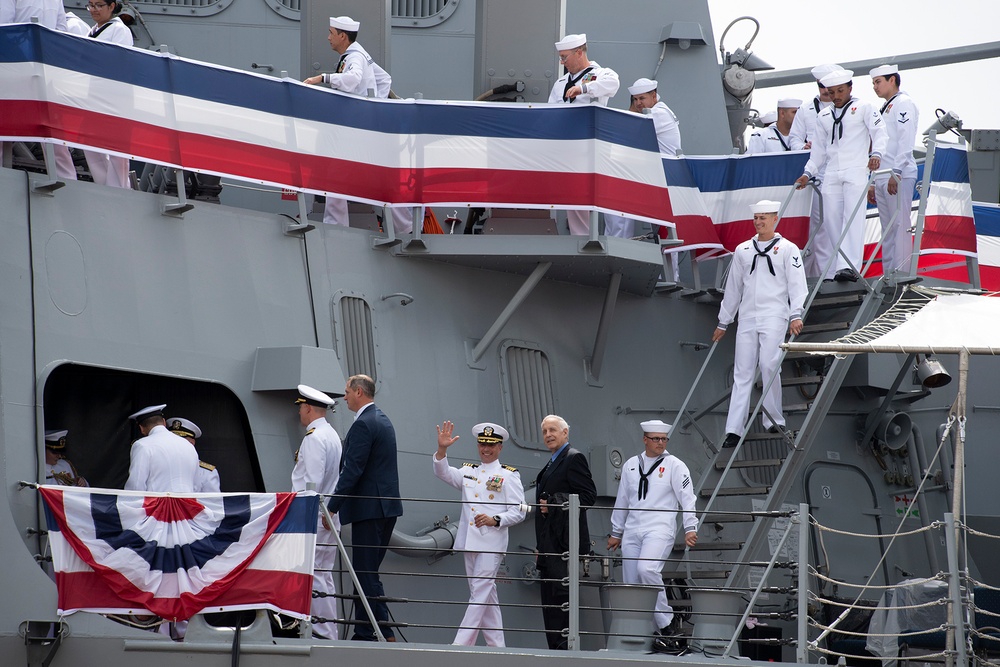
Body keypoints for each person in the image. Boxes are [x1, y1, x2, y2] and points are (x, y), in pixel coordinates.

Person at [303, 16, 412, 234]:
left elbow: (352, 79)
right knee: (380, 178)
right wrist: (377, 106)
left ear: (342, 36)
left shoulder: (354, 58)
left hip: (355, 129)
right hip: (366, 127)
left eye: (331, 33)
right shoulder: (361, 54)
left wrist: (321, 78)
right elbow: (384, 79)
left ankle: (336, 227)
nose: (328, 38)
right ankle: (405, 226)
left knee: (336, 175)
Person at [713, 200, 808, 448]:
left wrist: (795, 314)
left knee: (769, 365)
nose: (758, 222)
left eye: (763, 217)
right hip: (747, 316)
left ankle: (773, 419)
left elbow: (797, 284)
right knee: (742, 372)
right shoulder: (743, 250)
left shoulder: (789, 249)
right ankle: (733, 429)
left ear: (775, 218)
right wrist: (724, 322)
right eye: (756, 218)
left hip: (774, 314)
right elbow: (733, 289)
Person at [433, 421, 526, 647]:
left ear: (500, 447)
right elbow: (443, 473)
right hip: (470, 542)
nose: (486, 449)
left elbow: (520, 511)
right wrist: (442, 449)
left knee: (479, 593)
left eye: (491, 445)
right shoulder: (468, 472)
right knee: (485, 595)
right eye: (482, 444)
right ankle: (497, 647)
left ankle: (461, 645)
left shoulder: (508, 476)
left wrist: (496, 520)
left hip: (491, 543)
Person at [327, 374, 402, 641]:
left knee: (364, 572)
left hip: (369, 511)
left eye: (346, 391)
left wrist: (332, 507)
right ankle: (362, 630)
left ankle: (385, 631)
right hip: (385, 509)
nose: (344, 396)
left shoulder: (363, 425)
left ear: (358, 392)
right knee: (366, 572)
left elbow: (352, 471)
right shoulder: (382, 420)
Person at [795, 69, 888, 282]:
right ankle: (834, 267)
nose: (836, 96)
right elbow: (818, 151)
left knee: (852, 218)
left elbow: (880, 132)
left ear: (849, 88)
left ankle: (849, 267)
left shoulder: (864, 108)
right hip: (832, 173)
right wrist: (807, 173)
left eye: (840, 90)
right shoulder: (824, 116)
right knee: (831, 221)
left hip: (856, 168)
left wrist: (877, 154)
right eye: (832, 92)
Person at [607, 420, 697, 638]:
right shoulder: (630, 465)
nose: (660, 443)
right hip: (632, 530)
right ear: (645, 439)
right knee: (631, 582)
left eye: (664, 439)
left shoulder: (675, 465)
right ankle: (645, 634)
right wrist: (616, 533)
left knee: (646, 570)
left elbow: (687, 498)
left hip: (659, 528)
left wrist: (690, 527)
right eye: (656, 439)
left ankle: (666, 621)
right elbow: (623, 500)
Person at [534, 414, 597, 650]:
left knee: (560, 604)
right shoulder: (553, 461)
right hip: (550, 546)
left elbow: (588, 496)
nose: (548, 435)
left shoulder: (573, 458)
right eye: (545, 431)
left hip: (564, 547)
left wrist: (551, 502)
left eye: (553, 430)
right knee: (550, 606)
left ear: (565, 433)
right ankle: (556, 653)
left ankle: (563, 654)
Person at [548, 33, 619, 236]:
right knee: (574, 200)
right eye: (560, 58)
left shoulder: (601, 73)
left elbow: (613, 85)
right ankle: (579, 240)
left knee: (594, 196)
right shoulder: (561, 83)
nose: (562, 62)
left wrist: (583, 88)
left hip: (591, 147)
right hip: (567, 149)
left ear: (579, 52)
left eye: (565, 57)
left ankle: (595, 240)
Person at [291, 385, 344, 640]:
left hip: (314, 515)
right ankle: (328, 629)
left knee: (313, 573)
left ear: (308, 407)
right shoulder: (331, 434)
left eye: (300, 407)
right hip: (329, 516)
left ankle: (320, 632)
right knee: (324, 574)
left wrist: (303, 516)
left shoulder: (313, 438)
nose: (299, 413)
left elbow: (311, 482)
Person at [604, 78, 681, 239]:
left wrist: (633, 109)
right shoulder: (655, 111)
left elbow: (626, 129)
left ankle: (618, 245)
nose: (639, 103)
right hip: (658, 176)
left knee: (620, 201)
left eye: (642, 98)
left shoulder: (658, 113)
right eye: (635, 99)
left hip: (664, 177)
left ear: (654, 96)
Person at [789, 64, 840, 278]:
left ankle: (840, 271)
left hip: (840, 173)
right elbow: (794, 139)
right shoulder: (806, 109)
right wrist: (804, 147)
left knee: (840, 226)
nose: (824, 91)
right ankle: (824, 277)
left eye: (828, 86)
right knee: (818, 230)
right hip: (817, 176)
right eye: (821, 86)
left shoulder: (847, 108)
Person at [868, 64, 919, 277]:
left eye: (878, 82)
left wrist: (896, 171)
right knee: (887, 229)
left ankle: (901, 274)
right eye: (873, 83)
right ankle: (889, 273)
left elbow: (905, 139)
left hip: (898, 174)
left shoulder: (903, 103)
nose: (875, 87)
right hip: (882, 175)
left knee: (900, 225)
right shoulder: (886, 107)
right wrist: (872, 181)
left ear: (892, 80)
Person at [83, 0, 133, 189]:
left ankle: (120, 189)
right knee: (90, 144)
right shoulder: (91, 31)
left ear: (111, 6)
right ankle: (104, 186)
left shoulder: (119, 31)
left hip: (115, 97)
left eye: (98, 5)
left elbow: (118, 63)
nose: (93, 10)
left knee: (116, 148)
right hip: (93, 95)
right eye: (90, 5)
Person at [124, 404, 198, 492]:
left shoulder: (142, 445)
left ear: (141, 428)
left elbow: (136, 485)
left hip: (158, 504)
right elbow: (195, 483)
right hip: (187, 503)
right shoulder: (188, 445)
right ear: (164, 422)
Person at [167, 417, 220, 493]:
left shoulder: (206, 472)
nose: (175, 444)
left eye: (180, 440)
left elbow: (212, 503)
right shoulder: (160, 466)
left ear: (192, 443)